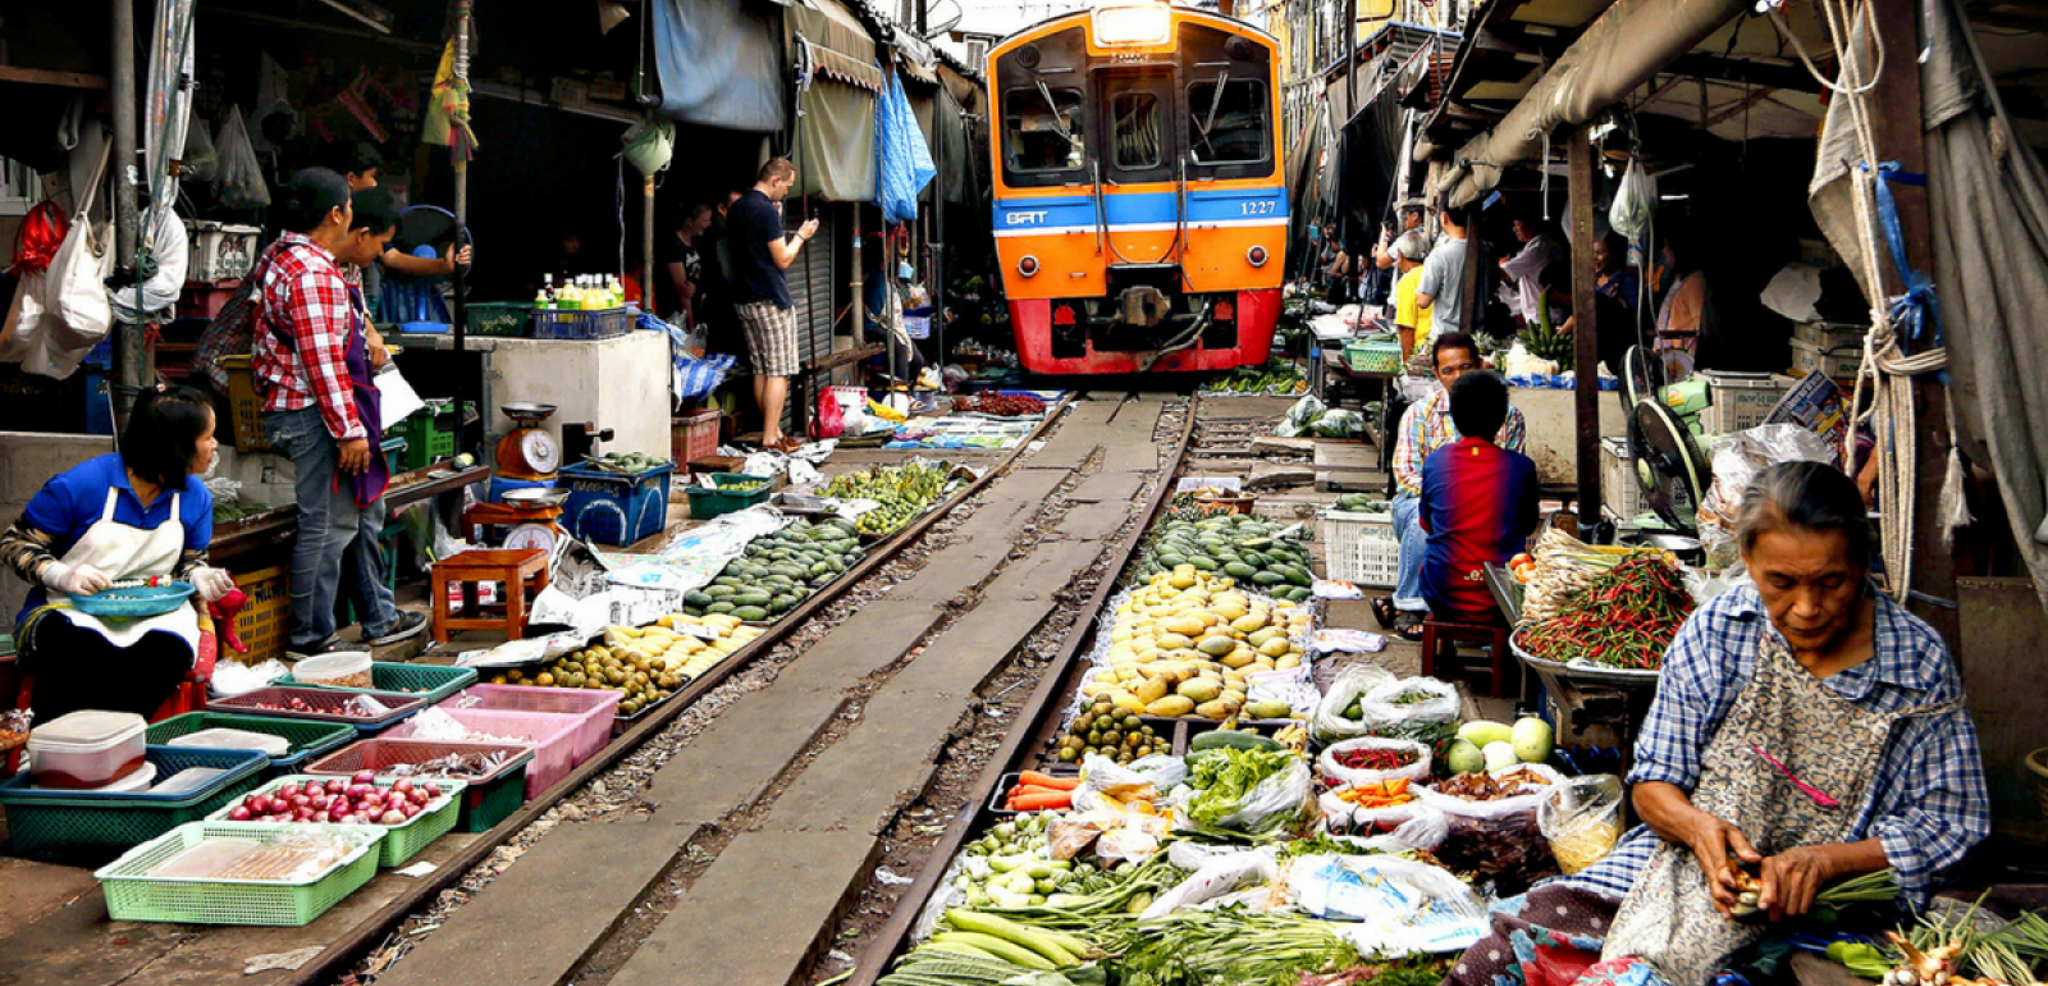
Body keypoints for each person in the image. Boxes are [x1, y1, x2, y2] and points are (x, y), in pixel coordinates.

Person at [1446, 461, 1989, 986]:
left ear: (1863, 563)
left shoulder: (1914, 662)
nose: (1805, 607)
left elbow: (1953, 824)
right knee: (1514, 943)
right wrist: (1698, 830)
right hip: (1691, 870)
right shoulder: (1721, 632)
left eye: (1831, 582)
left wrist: (1826, 862)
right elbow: (1655, 783)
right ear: (1748, 562)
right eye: (1781, 583)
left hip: (1841, 908)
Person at [253, 169, 426, 657]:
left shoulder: (285, 258)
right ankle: (309, 639)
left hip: (306, 410)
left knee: (353, 518)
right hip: (312, 414)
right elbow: (321, 362)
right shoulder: (310, 272)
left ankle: (377, 617)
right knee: (327, 528)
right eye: (349, 203)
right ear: (336, 214)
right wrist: (350, 430)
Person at [1, 386, 237, 720]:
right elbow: (14, 543)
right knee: (77, 651)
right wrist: (59, 574)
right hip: (69, 607)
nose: (214, 445)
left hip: (158, 614)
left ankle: (120, 743)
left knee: (164, 655)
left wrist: (201, 576)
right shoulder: (82, 485)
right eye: (208, 437)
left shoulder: (195, 497)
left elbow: (190, 563)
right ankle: (55, 747)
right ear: (177, 444)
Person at [1373, 332, 1527, 639]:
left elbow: (1511, 476)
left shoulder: (1509, 417)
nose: (1457, 377)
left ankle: (1480, 598)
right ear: (1436, 374)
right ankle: (1409, 604)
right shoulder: (1419, 413)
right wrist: (1454, 496)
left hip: (1482, 503)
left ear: (1480, 365)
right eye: (1448, 370)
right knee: (1423, 519)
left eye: (1465, 368)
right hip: (1425, 500)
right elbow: (1405, 476)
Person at [1418, 371, 1538, 624]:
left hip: (1442, 592)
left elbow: (1426, 524)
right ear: (1503, 418)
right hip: (1501, 596)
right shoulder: (1521, 467)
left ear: (1453, 415)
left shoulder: (1436, 462)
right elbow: (1527, 526)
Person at [727, 158, 819, 452]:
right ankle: (770, 436)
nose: (786, 193)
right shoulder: (765, 211)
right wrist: (801, 236)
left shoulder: (737, 208)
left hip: (744, 298)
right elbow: (783, 259)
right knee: (778, 370)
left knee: (760, 369)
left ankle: (774, 429)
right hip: (770, 297)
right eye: (787, 186)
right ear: (775, 180)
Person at [863, 235, 929, 387]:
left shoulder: (886, 278)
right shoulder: (875, 276)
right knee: (900, 347)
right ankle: (899, 391)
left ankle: (908, 388)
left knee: (917, 359)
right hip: (873, 325)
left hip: (887, 323)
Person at [1654, 228, 1715, 381]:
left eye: (1668, 246)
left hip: (1683, 362)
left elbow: (1701, 325)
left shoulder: (1695, 282)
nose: (1664, 251)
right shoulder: (1677, 280)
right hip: (1669, 358)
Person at [1414, 199, 1473, 337]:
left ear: (1444, 218)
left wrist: (1418, 291)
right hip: (1478, 337)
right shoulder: (1486, 251)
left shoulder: (1440, 255)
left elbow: (1423, 301)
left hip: (1446, 338)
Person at [1499, 212, 1567, 328]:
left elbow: (1505, 272)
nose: (1515, 229)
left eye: (1517, 225)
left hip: (1544, 316)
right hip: (1541, 314)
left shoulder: (1539, 246)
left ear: (1532, 225)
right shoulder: (1542, 244)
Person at [657, 201, 715, 327]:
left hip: (696, 307)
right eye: (705, 220)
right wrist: (691, 324)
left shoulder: (696, 242)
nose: (708, 224)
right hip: (676, 313)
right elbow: (682, 290)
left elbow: (698, 277)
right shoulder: (674, 245)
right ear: (690, 221)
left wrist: (696, 286)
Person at [1389, 229, 1433, 357]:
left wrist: (1407, 364)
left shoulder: (1407, 282)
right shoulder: (1430, 273)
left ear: (1400, 255)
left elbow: (1406, 328)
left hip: (1422, 350)